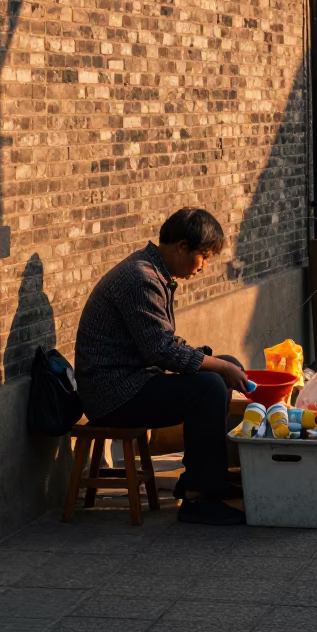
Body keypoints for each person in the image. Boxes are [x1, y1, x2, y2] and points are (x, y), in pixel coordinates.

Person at [75, 207, 249, 525]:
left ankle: (207, 479)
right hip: (113, 395)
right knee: (210, 385)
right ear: (181, 247)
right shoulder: (140, 279)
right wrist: (217, 368)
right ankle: (198, 499)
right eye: (204, 256)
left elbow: (163, 344)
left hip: (134, 382)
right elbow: (162, 352)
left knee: (225, 366)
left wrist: (221, 365)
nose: (205, 266)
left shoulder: (153, 273)